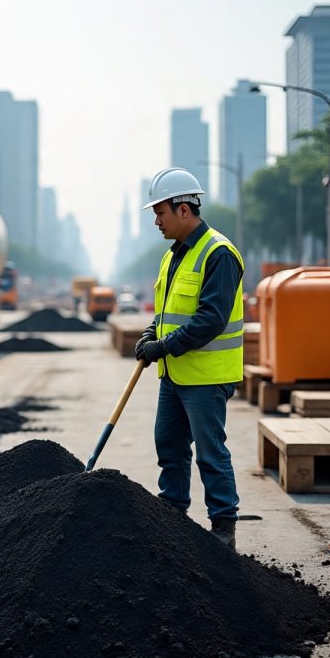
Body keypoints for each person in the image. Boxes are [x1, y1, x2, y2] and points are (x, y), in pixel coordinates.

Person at [134, 167, 244, 549]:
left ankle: (223, 529)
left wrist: (163, 347)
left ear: (184, 210)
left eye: (160, 212)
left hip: (207, 376)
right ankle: (173, 517)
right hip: (176, 373)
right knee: (169, 445)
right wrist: (152, 333)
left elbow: (209, 319)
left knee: (210, 453)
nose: (156, 221)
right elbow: (166, 309)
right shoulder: (174, 255)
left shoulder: (219, 253)